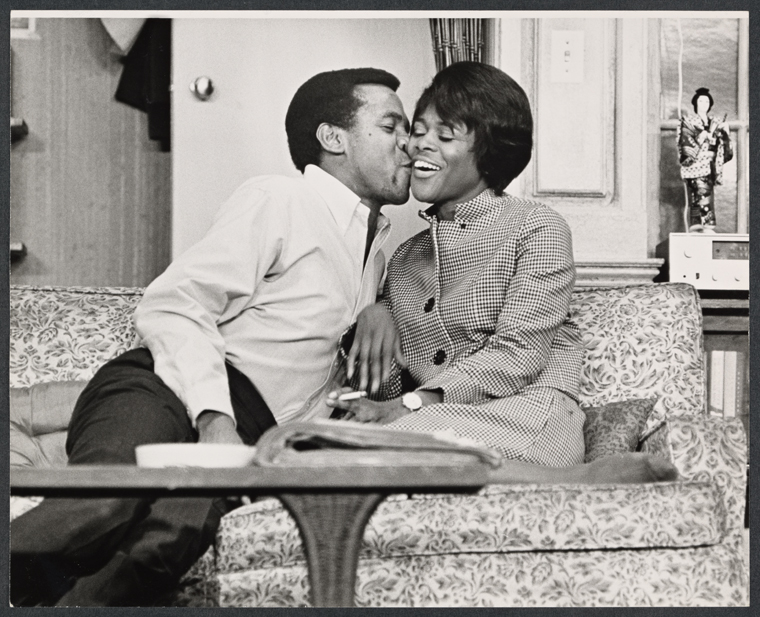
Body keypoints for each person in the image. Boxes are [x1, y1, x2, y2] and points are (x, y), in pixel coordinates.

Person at [11, 67, 412, 607]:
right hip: (166, 388)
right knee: (104, 503)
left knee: (169, 540)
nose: (409, 144)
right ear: (333, 138)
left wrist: (381, 308)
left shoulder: (377, 254)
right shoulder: (279, 199)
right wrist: (214, 420)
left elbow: (313, 372)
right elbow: (175, 302)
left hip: (253, 432)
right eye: (391, 126)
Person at [327, 61, 679, 485]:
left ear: (488, 152)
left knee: (364, 453)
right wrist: (376, 315)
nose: (421, 145)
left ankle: (567, 479)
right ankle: (572, 483)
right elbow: (390, 390)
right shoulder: (403, 259)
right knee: (326, 449)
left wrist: (412, 406)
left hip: (525, 412)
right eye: (418, 131)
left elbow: (518, 355)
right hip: (436, 423)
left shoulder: (537, 227)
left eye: (445, 135)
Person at [677, 87, 733, 232]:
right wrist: (702, 136)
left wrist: (725, 133)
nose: (704, 103)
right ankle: (705, 225)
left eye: (707, 101)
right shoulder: (688, 122)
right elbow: (685, 144)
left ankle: (698, 225)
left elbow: (724, 148)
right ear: (695, 103)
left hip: (710, 165)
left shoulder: (714, 122)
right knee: (701, 193)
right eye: (701, 100)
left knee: (704, 194)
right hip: (696, 164)